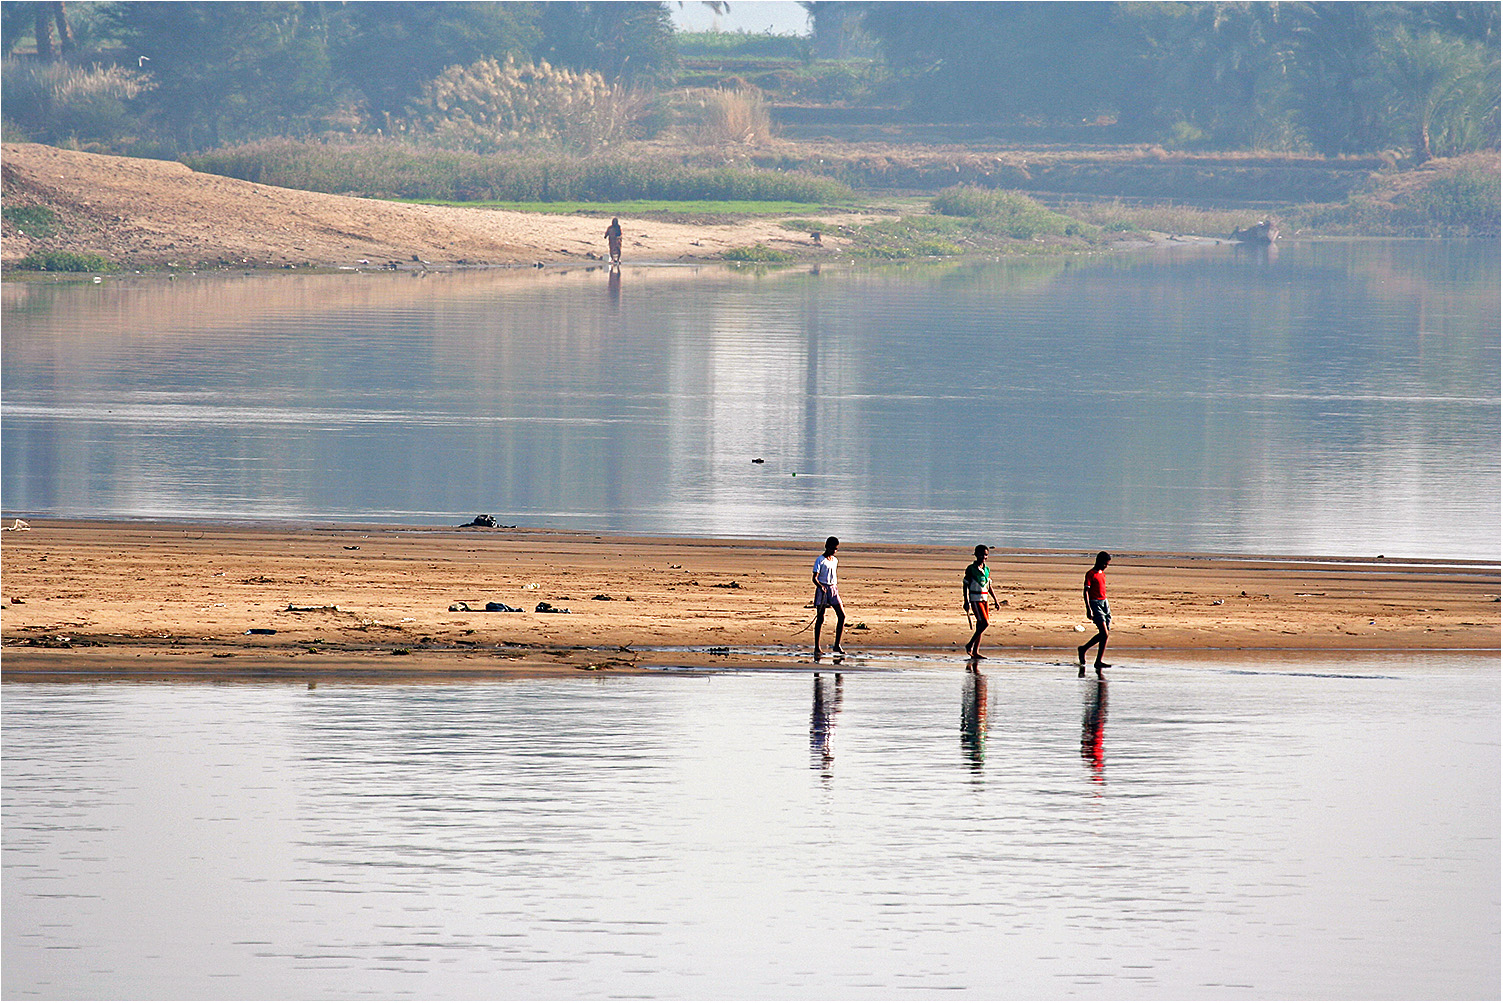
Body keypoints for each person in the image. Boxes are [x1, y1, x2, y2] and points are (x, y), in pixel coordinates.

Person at [1078, 550, 1112, 676]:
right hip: (1095, 603)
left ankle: (1097, 659)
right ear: (1099, 561)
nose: (1106, 566)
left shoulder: (1102, 574)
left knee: (1105, 634)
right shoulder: (1090, 574)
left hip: (1104, 603)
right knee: (1104, 633)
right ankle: (1084, 650)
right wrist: (1088, 608)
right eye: (1105, 564)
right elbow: (1086, 591)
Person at [962, 544, 999, 659]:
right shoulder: (971, 569)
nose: (983, 557)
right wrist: (966, 601)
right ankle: (969, 645)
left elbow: (988, 586)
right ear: (976, 555)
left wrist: (995, 600)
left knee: (980, 625)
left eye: (986, 555)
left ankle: (976, 652)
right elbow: (965, 585)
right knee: (985, 623)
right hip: (975, 599)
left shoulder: (987, 569)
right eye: (981, 554)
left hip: (985, 599)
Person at [812, 536, 845, 657]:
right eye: (832, 548)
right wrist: (820, 586)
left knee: (841, 616)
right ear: (826, 547)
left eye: (836, 549)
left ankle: (837, 645)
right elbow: (814, 578)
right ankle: (817, 647)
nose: (834, 551)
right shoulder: (820, 560)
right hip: (822, 589)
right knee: (820, 618)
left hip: (833, 588)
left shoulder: (835, 560)